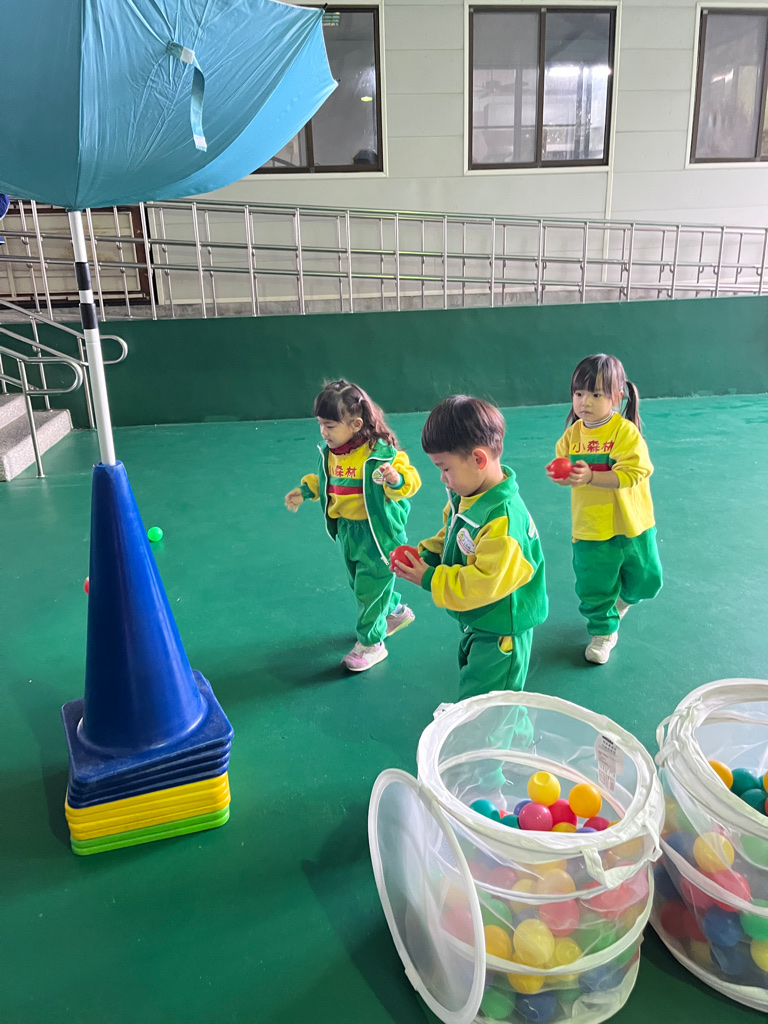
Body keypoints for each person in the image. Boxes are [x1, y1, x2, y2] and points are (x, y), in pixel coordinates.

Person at [393, 395, 548, 700]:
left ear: (478, 460)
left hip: (502, 630)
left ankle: (492, 730)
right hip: (480, 620)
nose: (442, 478)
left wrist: (431, 578)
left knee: (490, 704)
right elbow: (453, 532)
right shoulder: (471, 495)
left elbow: (485, 581)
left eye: (445, 468)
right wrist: (428, 554)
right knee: (476, 685)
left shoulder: (504, 523)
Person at [285, 379, 421, 672]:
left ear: (356, 424)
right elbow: (328, 481)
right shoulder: (332, 453)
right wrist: (305, 490)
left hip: (378, 535)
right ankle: (394, 612)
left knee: (367, 591)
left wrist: (395, 479)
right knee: (360, 585)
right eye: (321, 424)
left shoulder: (381, 454)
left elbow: (411, 481)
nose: (324, 432)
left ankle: (371, 644)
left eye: (330, 425)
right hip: (347, 532)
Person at [546, 353, 662, 665]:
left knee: (648, 579)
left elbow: (634, 473)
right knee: (594, 586)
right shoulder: (572, 436)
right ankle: (603, 632)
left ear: (616, 397)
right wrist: (564, 476)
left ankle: (621, 601)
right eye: (578, 393)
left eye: (596, 394)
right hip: (591, 528)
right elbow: (568, 471)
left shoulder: (624, 432)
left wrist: (591, 477)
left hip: (632, 524)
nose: (584, 401)